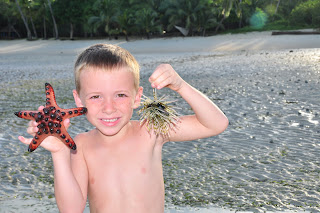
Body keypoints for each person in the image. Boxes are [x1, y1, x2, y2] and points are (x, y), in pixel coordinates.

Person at [18, 44, 228, 213]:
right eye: (95, 96)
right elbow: (71, 209)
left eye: (120, 95)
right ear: (78, 100)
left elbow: (216, 124)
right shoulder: (79, 146)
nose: (108, 108)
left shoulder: (151, 131)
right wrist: (60, 153)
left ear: (137, 97)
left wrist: (180, 86)